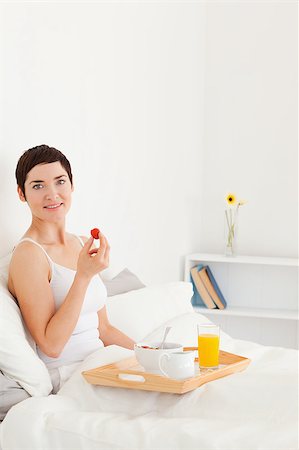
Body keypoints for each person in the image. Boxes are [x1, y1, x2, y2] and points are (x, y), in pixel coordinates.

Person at [8, 144, 135, 374]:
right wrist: (83, 275)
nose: (52, 194)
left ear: (72, 185)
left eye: (60, 181)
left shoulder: (81, 242)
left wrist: (151, 354)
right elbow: (51, 345)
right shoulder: (29, 255)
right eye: (38, 185)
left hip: (102, 365)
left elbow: (104, 329)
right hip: (71, 376)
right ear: (21, 193)